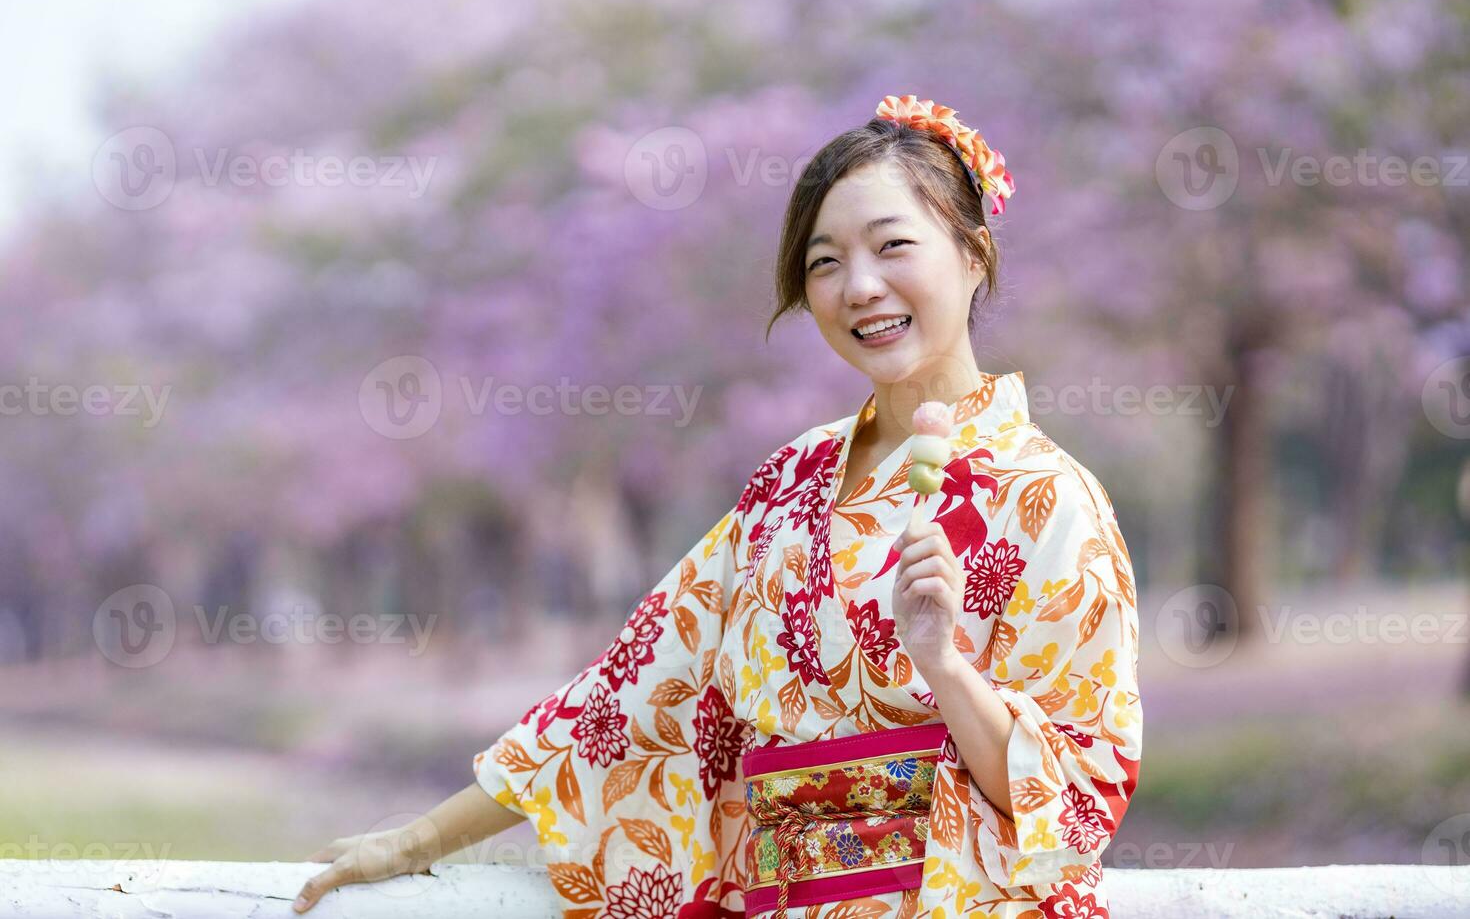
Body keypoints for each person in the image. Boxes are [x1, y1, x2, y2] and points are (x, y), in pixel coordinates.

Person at [293, 94, 1142, 919]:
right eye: (824, 262)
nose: (860, 287)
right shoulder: (788, 483)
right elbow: (621, 701)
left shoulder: (1048, 501)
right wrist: (415, 842)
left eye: (894, 246)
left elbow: (1075, 797)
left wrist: (945, 666)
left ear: (974, 254)